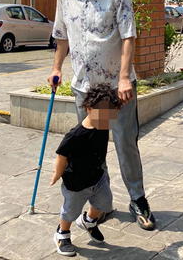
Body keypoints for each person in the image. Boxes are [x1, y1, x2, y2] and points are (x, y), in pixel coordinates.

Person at [48, 0, 156, 232]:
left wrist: (123, 77)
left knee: (124, 144)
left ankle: (137, 199)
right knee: (92, 148)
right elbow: (61, 36)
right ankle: (102, 203)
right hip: (85, 88)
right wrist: (57, 67)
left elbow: (128, 37)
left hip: (113, 91)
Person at [51, 84, 122, 256]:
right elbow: (61, 156)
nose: (107, 119)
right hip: (76, 182)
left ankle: (88, 221)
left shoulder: (103, 126)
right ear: (89, 109)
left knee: (105, 202)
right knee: (70, 211)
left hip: (97, 177)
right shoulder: (75, 135)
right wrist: (57, 174)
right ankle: (62, 233)